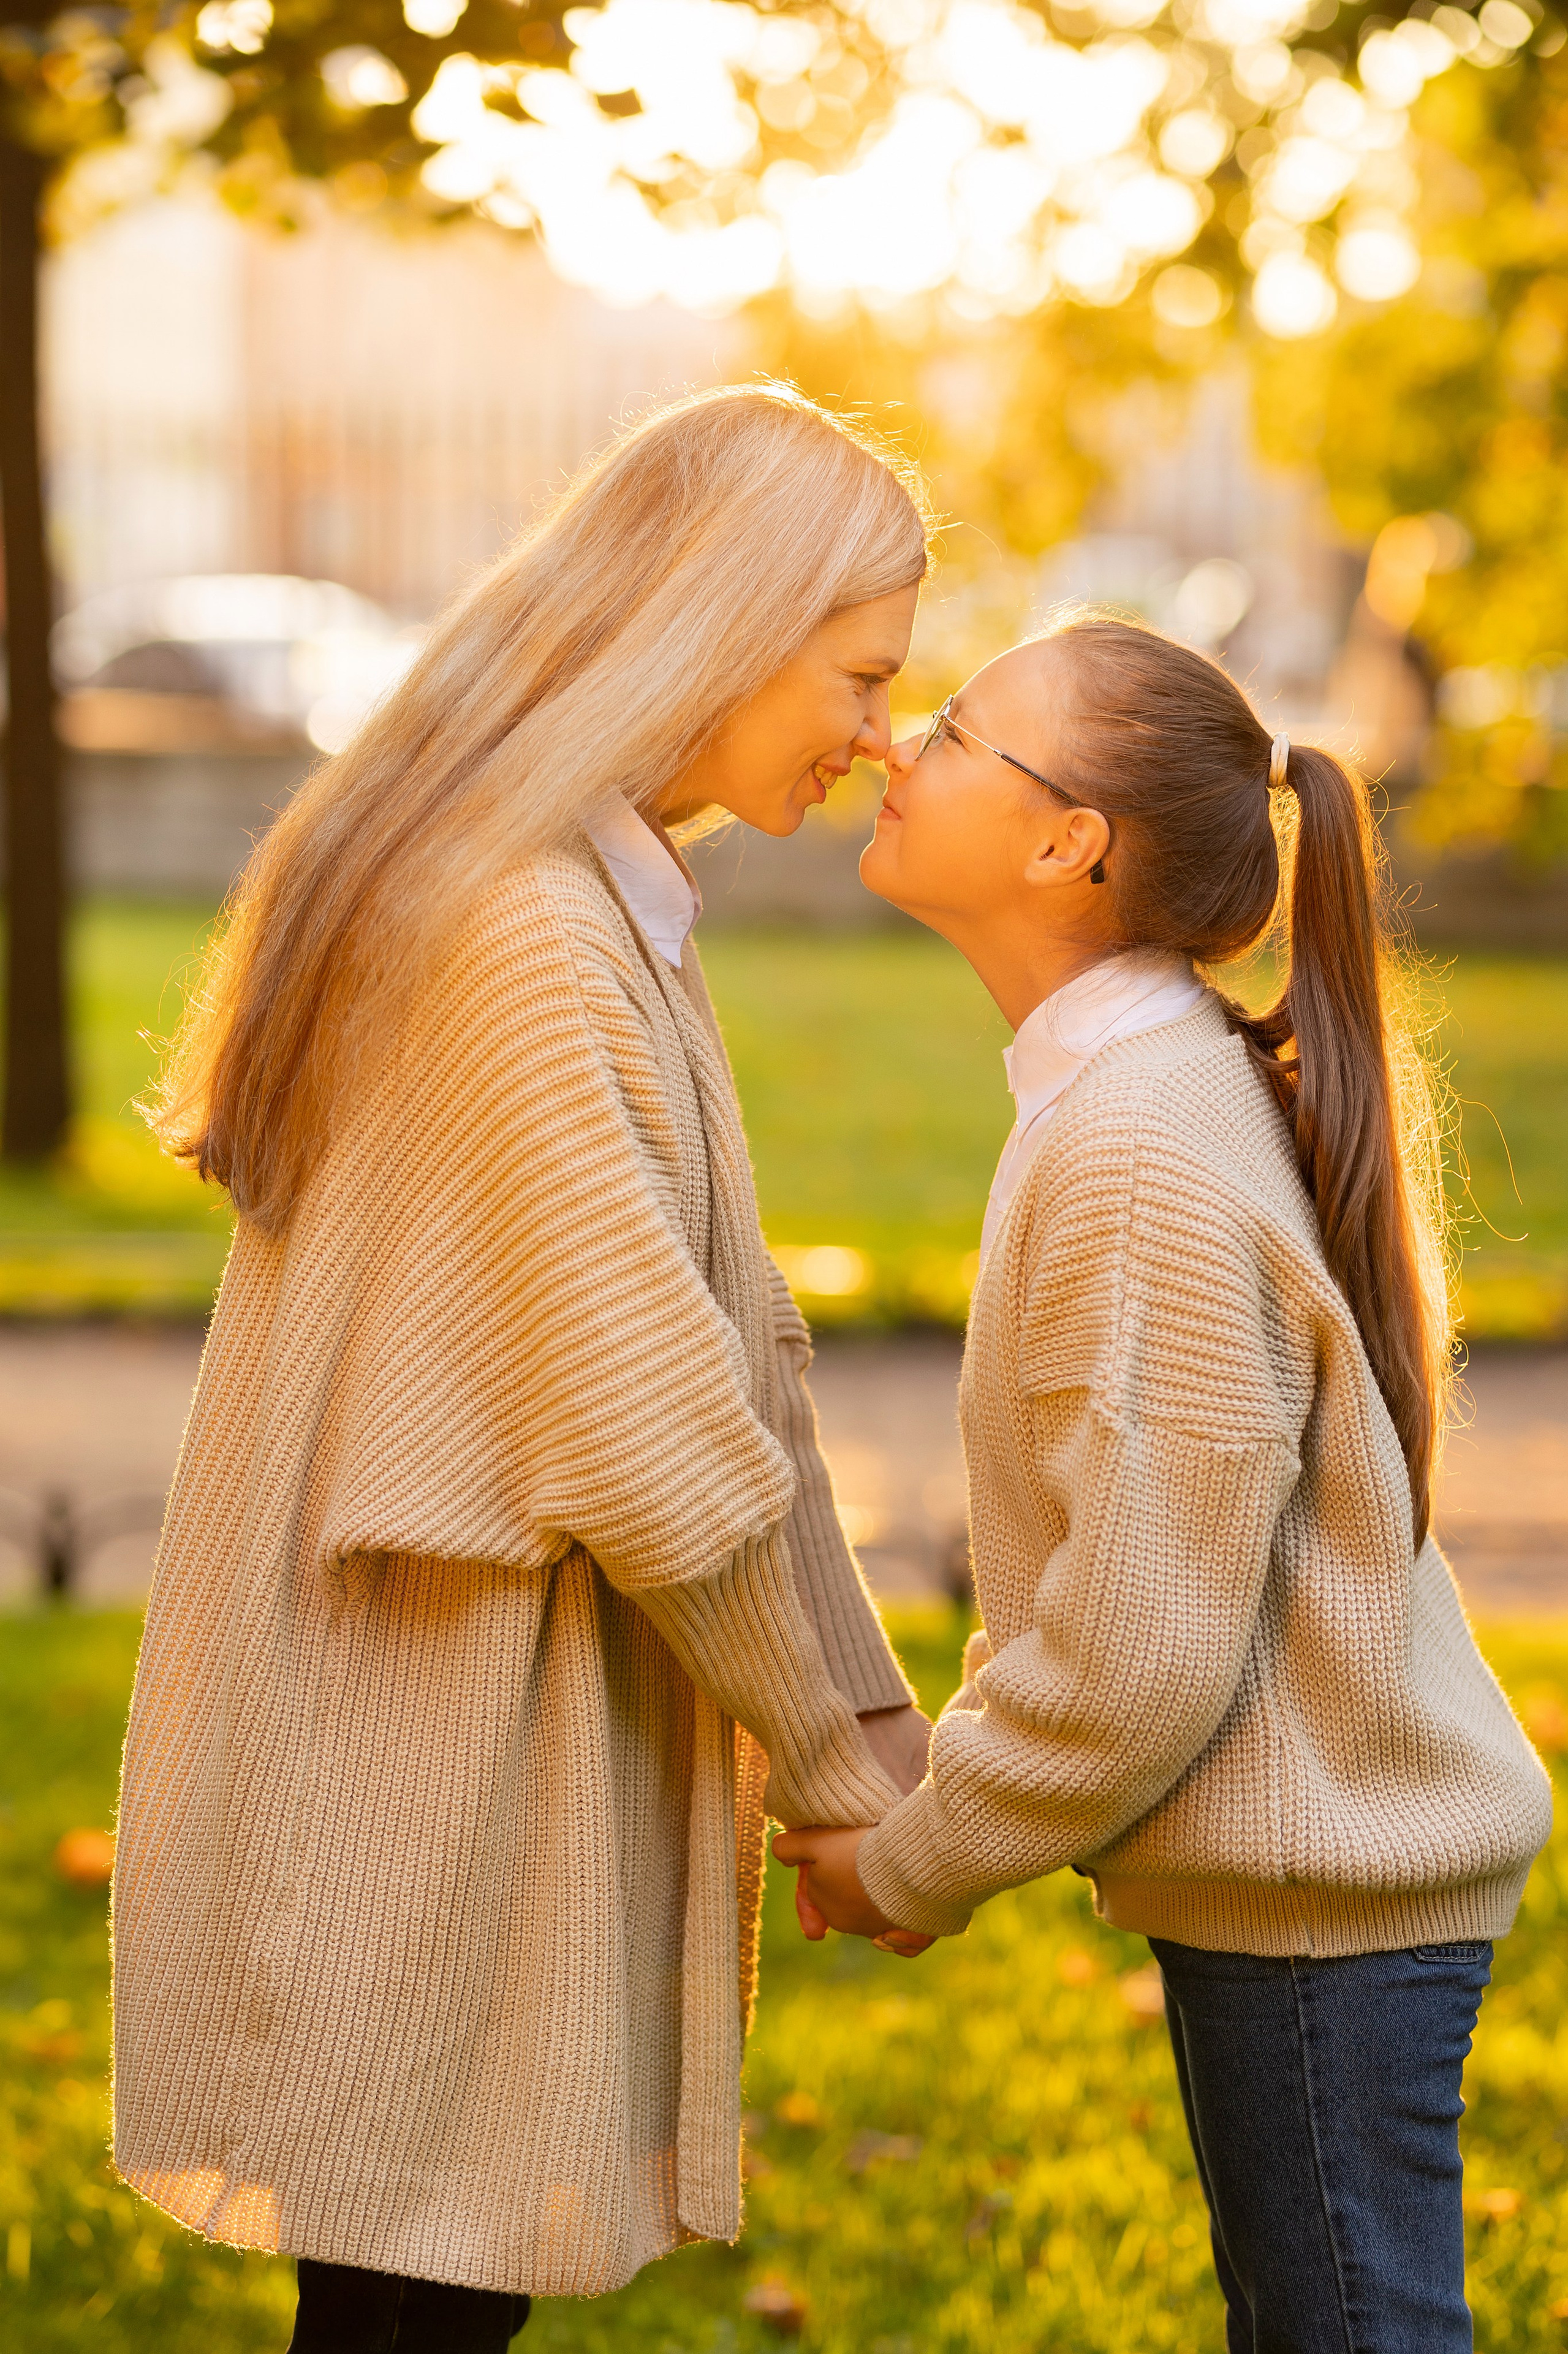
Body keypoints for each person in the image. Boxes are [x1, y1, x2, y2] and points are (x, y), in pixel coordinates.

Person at [112, 385, 935, 2352]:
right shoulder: (524, 931)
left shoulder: (602, 902)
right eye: (863, 674)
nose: (884, 734)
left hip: (459, 1754)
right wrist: (852, 1780)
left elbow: (748, 1368)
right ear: (728, 622)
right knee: (408, 2320)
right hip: (425, 1773)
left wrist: (871, 1724)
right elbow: (657, 1438)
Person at [776, 614, 1553, 2353]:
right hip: (1307, 1893)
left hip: (1325, 1905)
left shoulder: (1139, 1139)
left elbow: (1134, 1659)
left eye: (962, 728)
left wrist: (910, 1856)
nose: (903, 741)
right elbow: (1119, 1571)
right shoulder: (1124, 1096)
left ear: (1069, 843)